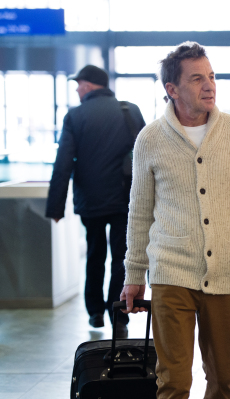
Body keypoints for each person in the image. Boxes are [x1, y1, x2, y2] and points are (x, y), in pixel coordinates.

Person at [120, 42, 230, 399]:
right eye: (197, 79)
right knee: (174, 382)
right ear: (172, 89)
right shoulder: (150, 139)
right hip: (170, 272)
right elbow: (139, 213)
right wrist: (134, 275)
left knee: (224, 376)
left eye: (211, 76)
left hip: (226, 272)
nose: (209, 85)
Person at [46, 64, 145, 336]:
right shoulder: (130, 111)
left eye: (78, 84)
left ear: (88, 85)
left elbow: (63, 163)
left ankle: (95, 313)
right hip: (126, 198)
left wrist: (56, 206)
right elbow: (151, 155)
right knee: (121, 257)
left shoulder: (75, 116)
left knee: (94, 253)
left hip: (91, 200)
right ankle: (120, 313)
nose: (77, 89)